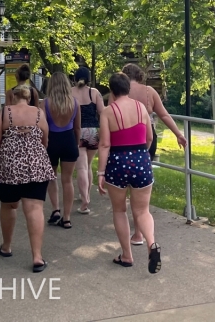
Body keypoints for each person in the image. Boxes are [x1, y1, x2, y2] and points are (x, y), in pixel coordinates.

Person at [0, 84, 55, 272]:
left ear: (13, 97)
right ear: (29, 97)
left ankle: (6, 246)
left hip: (9, 167)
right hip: (36, 167)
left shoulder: (5, 113)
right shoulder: (39, 113)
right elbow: (45, 140)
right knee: (34, 209)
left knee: (9, 205)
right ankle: (37, 257)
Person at [98, 72, 161, 273]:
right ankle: (151, 244)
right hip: (141, 159)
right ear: (128, 88)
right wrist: (142, 155)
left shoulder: (108, 112)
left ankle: (126, 255)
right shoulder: (141, 107)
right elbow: (149, 137)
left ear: (112, 90)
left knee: (119, 210)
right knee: (143, 210)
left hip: (117, 162)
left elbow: (105, 144)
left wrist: (100, 172)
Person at [123, 63, 186, 245]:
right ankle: (139, 233)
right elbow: (164, 115)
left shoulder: (120, 91)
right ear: (140, 75)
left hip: (126, 140)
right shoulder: (149, 92)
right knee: (141, 188)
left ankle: (136, 233)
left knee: (128, 187)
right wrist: (179, 134)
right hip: (147, 138)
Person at [44, 71, 80, 228]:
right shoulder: (74, 103)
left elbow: (43, 128)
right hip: (69, 140)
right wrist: (76, 144)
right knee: (68, 180)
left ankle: (56, 210)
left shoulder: (45, 103)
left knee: (51, 178)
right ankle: (67, 217)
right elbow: (78, 128)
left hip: (52, 141)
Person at [72, 66, 104, 214]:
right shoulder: (94, 92)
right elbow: (102, 112)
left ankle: (84, 200)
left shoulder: (71, 92)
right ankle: (86, 195)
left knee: (81, 168)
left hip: (78, 131)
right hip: (93, 131)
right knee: (89, 165)